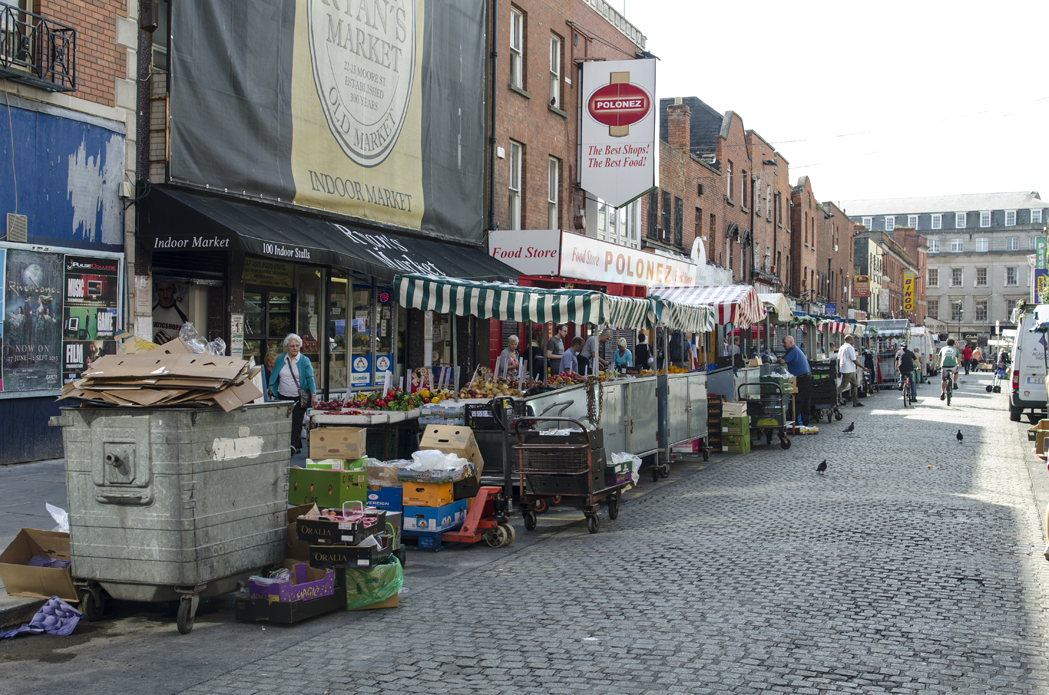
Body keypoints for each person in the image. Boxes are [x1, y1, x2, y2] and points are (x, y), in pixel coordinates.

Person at [268, 333, 317, 455]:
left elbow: (310, 378)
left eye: (297, 346)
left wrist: (313, 394)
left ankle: (293, 446)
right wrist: (271, 388)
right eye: (292, 346)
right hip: (283, 394)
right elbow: (274, 374)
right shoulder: (280, 359)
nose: (295, 348)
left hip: (299, 396)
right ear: (287, 347)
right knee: (286, 421)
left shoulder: (304, 360)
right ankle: (297, 444)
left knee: (296, 421)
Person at [778, 336, 811, 426]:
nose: (783, 345)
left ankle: (792, 421)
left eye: (785, 342)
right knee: (804, 400)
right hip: (806, 376)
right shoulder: (795, 349)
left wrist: (777, 359)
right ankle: (805, 421)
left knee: (798, 399)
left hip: (802, 378)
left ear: (791, 342)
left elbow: (782, 361)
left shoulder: (793, 350)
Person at [152, 280, 189, 345]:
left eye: (168, 289)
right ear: (156, 289)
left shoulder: (185, 312)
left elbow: (189, 341)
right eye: (161, 290)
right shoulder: (150, 311)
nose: (165, 295)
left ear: (174, 287)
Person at [836, 335, 866, 407]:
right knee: (844, 385)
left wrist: (839, 370)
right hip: (848, 369)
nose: (853, 341)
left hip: (846, 368)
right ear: (849, 340)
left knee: (855, 384)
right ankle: (832, 395)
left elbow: (838, 359)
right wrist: (863, 367)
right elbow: (854, 360)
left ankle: (855, 401)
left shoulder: (842, 347)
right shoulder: (850, 348)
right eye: (852, 339)